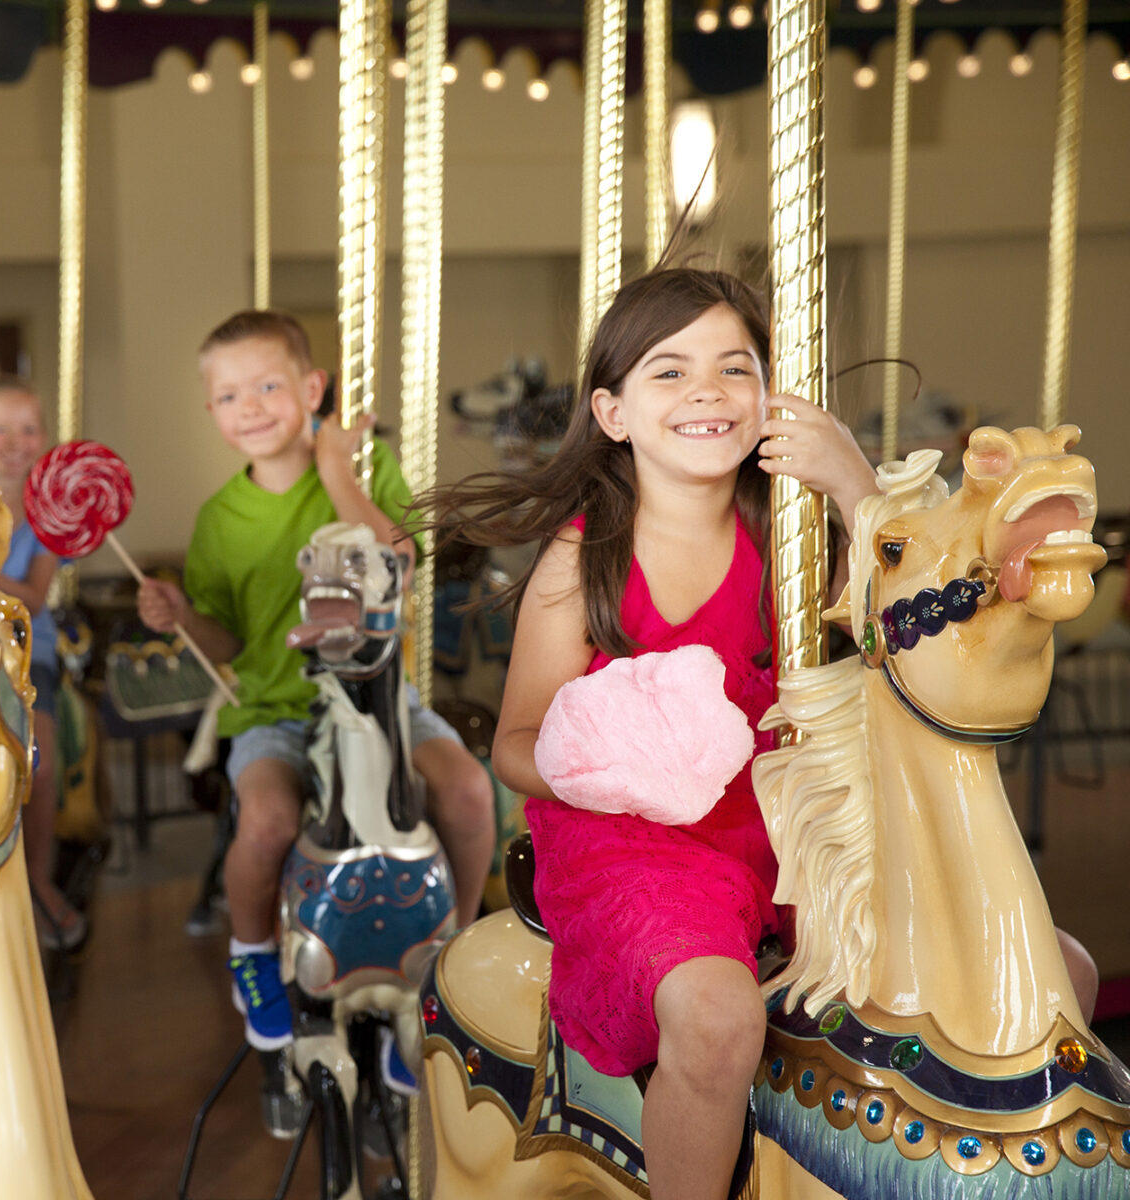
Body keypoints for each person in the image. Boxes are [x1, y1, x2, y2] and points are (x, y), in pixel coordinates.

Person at [423, 267, 1101, 1200]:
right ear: (612, 413)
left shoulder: (791, 536)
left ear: (769, 397)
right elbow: (514, 742)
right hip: (634, 843)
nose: (705, 389)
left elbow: (902, 640)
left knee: (1058, 971)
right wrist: (616, 764)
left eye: (733, 366)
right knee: (715, 1015)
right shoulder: (586, 554)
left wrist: (848, 482)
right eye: (669, 371)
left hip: (798, 824)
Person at [137, 311, 495, 1115]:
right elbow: (224, 638)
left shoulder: (365, 467)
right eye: (230, 395)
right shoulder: (219, 521)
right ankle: (254, 953)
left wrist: (340, 473)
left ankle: (452, 954)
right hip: (276, 710)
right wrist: (178, 617)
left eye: (268, 385)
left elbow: (397, 561)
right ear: (212, 413)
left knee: (470, 792)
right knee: (264, 818)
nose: (251, 406)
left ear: (311, 390)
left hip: (378, 700)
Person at [0, 376, 87, 951]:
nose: (15, 442)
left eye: (28, 429)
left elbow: (34, 599)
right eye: (1, 429)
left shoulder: (46, 516)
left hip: (24, 648)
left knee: (35, 760)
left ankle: (38, 876)